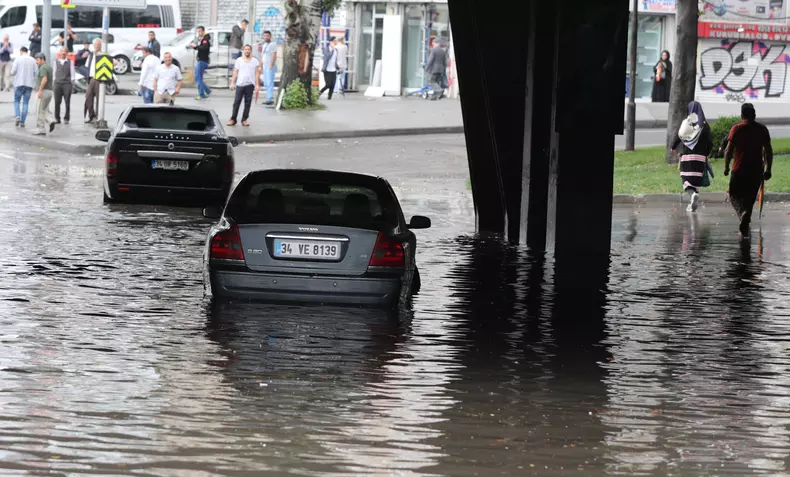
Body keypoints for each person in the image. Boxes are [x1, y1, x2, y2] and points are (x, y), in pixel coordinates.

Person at [724, 103, 773, 239]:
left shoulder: (737, 128)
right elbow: (768, 150)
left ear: (741, 115)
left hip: (738, 169)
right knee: (750, 197)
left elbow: (729, 150)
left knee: (733, 195)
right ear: (754, 115)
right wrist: (768, 169)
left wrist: (726, 166)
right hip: (756, 170)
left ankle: (742, 213)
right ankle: (745, 220)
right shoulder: (762, 129)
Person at [671, 101, 713, 212]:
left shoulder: (687, 123)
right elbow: (709, 141)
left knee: (686, 180)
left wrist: (673, 146)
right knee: (696, 181)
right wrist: (707, 153)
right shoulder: (704, 125)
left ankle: (693, 195)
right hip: (700, 158)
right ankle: (692, 202)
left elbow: (679, 135)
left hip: (687, 157)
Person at [228, 44, 260, 127]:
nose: (247, 51)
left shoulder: (255, 61)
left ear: (251, 51)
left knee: (247, 103)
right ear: (243, 51)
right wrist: (232, 83)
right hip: (240, 84)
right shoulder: (239, 60)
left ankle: (244, 119)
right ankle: (233, 119)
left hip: (250, 84)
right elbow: (235, 72)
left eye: (248, 49)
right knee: (236, 102)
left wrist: (257, 85)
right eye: (245, 49)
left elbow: (257, 73)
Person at [11, 47, 37, 128]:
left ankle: (18, 116)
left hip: (19, 83)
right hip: (29, 84)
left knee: (17, 101)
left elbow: (12, 72)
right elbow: (36, 72)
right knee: (25, 103)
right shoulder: (33, 60)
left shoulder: (18, 59)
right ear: (27, 51)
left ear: (21, 51)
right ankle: (22, 122)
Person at [33, 53, 55, 136]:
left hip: (44, 91)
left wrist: (40, 90)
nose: (36, 62)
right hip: (49, 92)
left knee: (39, 110)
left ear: (42, 59)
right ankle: (50, 120)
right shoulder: (49, 67)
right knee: (44, 110)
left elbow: (44, 79)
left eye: (37, 60)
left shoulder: (43, 67)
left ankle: (40, 129)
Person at [53, 47, 75, 125]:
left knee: (67, 102)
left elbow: (72, 73)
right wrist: (54, 82)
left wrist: (72, 83)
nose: (63, 53)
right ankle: (57, 118)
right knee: (57, 102)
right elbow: (54, 73)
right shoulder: (56, 62)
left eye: (65, 51)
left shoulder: (70, 62)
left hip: (67, 84)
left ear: (67, 53)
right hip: (57, 83)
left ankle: (66, 118)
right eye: (62, 51)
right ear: (60, 52)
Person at [84, 38, 102, 123]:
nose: (97, 46)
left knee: (99, 99)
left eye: (99, 44)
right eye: (96, 45)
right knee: (88, 97)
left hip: (99, 79)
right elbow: (87, 66)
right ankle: (91, 116)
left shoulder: (103, 54)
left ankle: (99, 116)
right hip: (91, 78)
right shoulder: (91, 54)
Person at [190, 26, 212, 100]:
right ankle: (207, 90)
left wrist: (195, 46)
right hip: (201, 60)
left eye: (200, 31)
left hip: (202, 61)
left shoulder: (205, 39)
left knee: (198, 78)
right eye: (198, 31)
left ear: (203, 31)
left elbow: (203, 48)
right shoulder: (203, 39)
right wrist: (195, 47)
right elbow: (200, 48)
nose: (199, 33)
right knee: (198, 77)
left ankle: (201, 94)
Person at [259, 30, 277, 105]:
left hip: (270, 66)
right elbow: (262, 56)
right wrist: (260, 66)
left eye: (267, 36)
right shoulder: (264, 45)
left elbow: (274, 55)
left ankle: (270, 98)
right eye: (265, 36)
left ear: (270, 36)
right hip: (265, 66)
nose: (266, 37)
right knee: (266, 82)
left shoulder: (273, 44)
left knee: (269, 82)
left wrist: (271, 64)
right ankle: (268, 97)